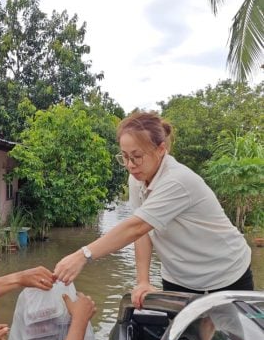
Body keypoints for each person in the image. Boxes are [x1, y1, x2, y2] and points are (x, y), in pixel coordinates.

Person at [54, 111, 254, 306]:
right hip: (178, 278)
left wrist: (83, 255)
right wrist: (142, 281)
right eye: (124, 157)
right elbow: (142, 233)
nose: (130, 165)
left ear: (161, 150)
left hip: (226, 274)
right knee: (181, 338)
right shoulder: (137, 179)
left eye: (137, 156)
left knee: (226, 339)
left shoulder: (177, 180)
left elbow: (136, 227)